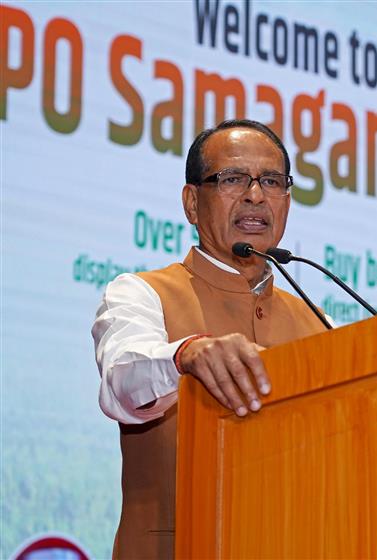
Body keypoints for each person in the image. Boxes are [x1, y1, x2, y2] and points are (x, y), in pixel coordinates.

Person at [92, 119, 327, 559]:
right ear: (192, 203)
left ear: (288, 201)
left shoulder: (321, 322)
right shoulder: (142, 293)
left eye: (271, 181)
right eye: (233, 178)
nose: (255, 195)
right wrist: (186, 354)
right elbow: (120, 382)